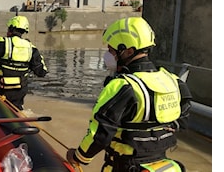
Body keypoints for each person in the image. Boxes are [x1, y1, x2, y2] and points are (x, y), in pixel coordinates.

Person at [66, 17, 192, 172]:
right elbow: (183, 121)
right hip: (162, 165)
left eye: (111, 51)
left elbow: (100, 134)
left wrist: (79, 157)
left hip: (124, 166)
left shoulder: (123, 86)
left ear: (128, 51)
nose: (108, 55)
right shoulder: (175, 82)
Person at [0, 15, 48, 110]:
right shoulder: (31, 48)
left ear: (11, 28)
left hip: (1, 87)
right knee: (17, 109)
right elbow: (41, 72)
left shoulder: (2, 43)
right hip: (20, 90)